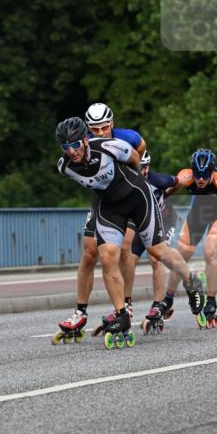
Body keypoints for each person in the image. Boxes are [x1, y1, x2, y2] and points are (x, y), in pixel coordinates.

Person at [54, 117, 205, 341]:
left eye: (75, 144)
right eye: (65, 147)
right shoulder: (65, 167)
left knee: (157, 251)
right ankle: (122, 314)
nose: (71, 151)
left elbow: (135, 159)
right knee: (107, 256)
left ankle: (192, 281)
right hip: (109, 207)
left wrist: (133, 180)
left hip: (137, 197)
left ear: (85, 140)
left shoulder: (107, 146)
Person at [59, 102, 146, 337]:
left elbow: (141, 154)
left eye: (104, 127)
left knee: (124, 248)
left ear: (112, 123)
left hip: (128, 195)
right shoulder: (84, 142)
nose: (100, 132)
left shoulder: (127, 136)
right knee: (89, 253)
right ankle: (80, 313)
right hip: (102, 200)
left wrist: (139, 176)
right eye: (94, 129)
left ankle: (125, 305)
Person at [159, 148, 217, 327]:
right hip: (198, 213)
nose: (201, 179)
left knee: (209, 251)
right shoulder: (186, 176)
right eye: (198, 174)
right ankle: (168, 298)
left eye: (206, 175)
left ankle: (211, 300)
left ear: (212, 171)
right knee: (180, 256)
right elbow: (168, 190)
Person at [129, 151, 179, 333]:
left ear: (147, 168)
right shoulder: (127, 181)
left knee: (155, 258)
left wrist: (166, 195)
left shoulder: (158, 180)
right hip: (144, 223)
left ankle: (158, 305)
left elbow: (178, 181)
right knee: (129, 258)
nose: (138, 171)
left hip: (165, 219)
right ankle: (125, 305)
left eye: (141, 168)